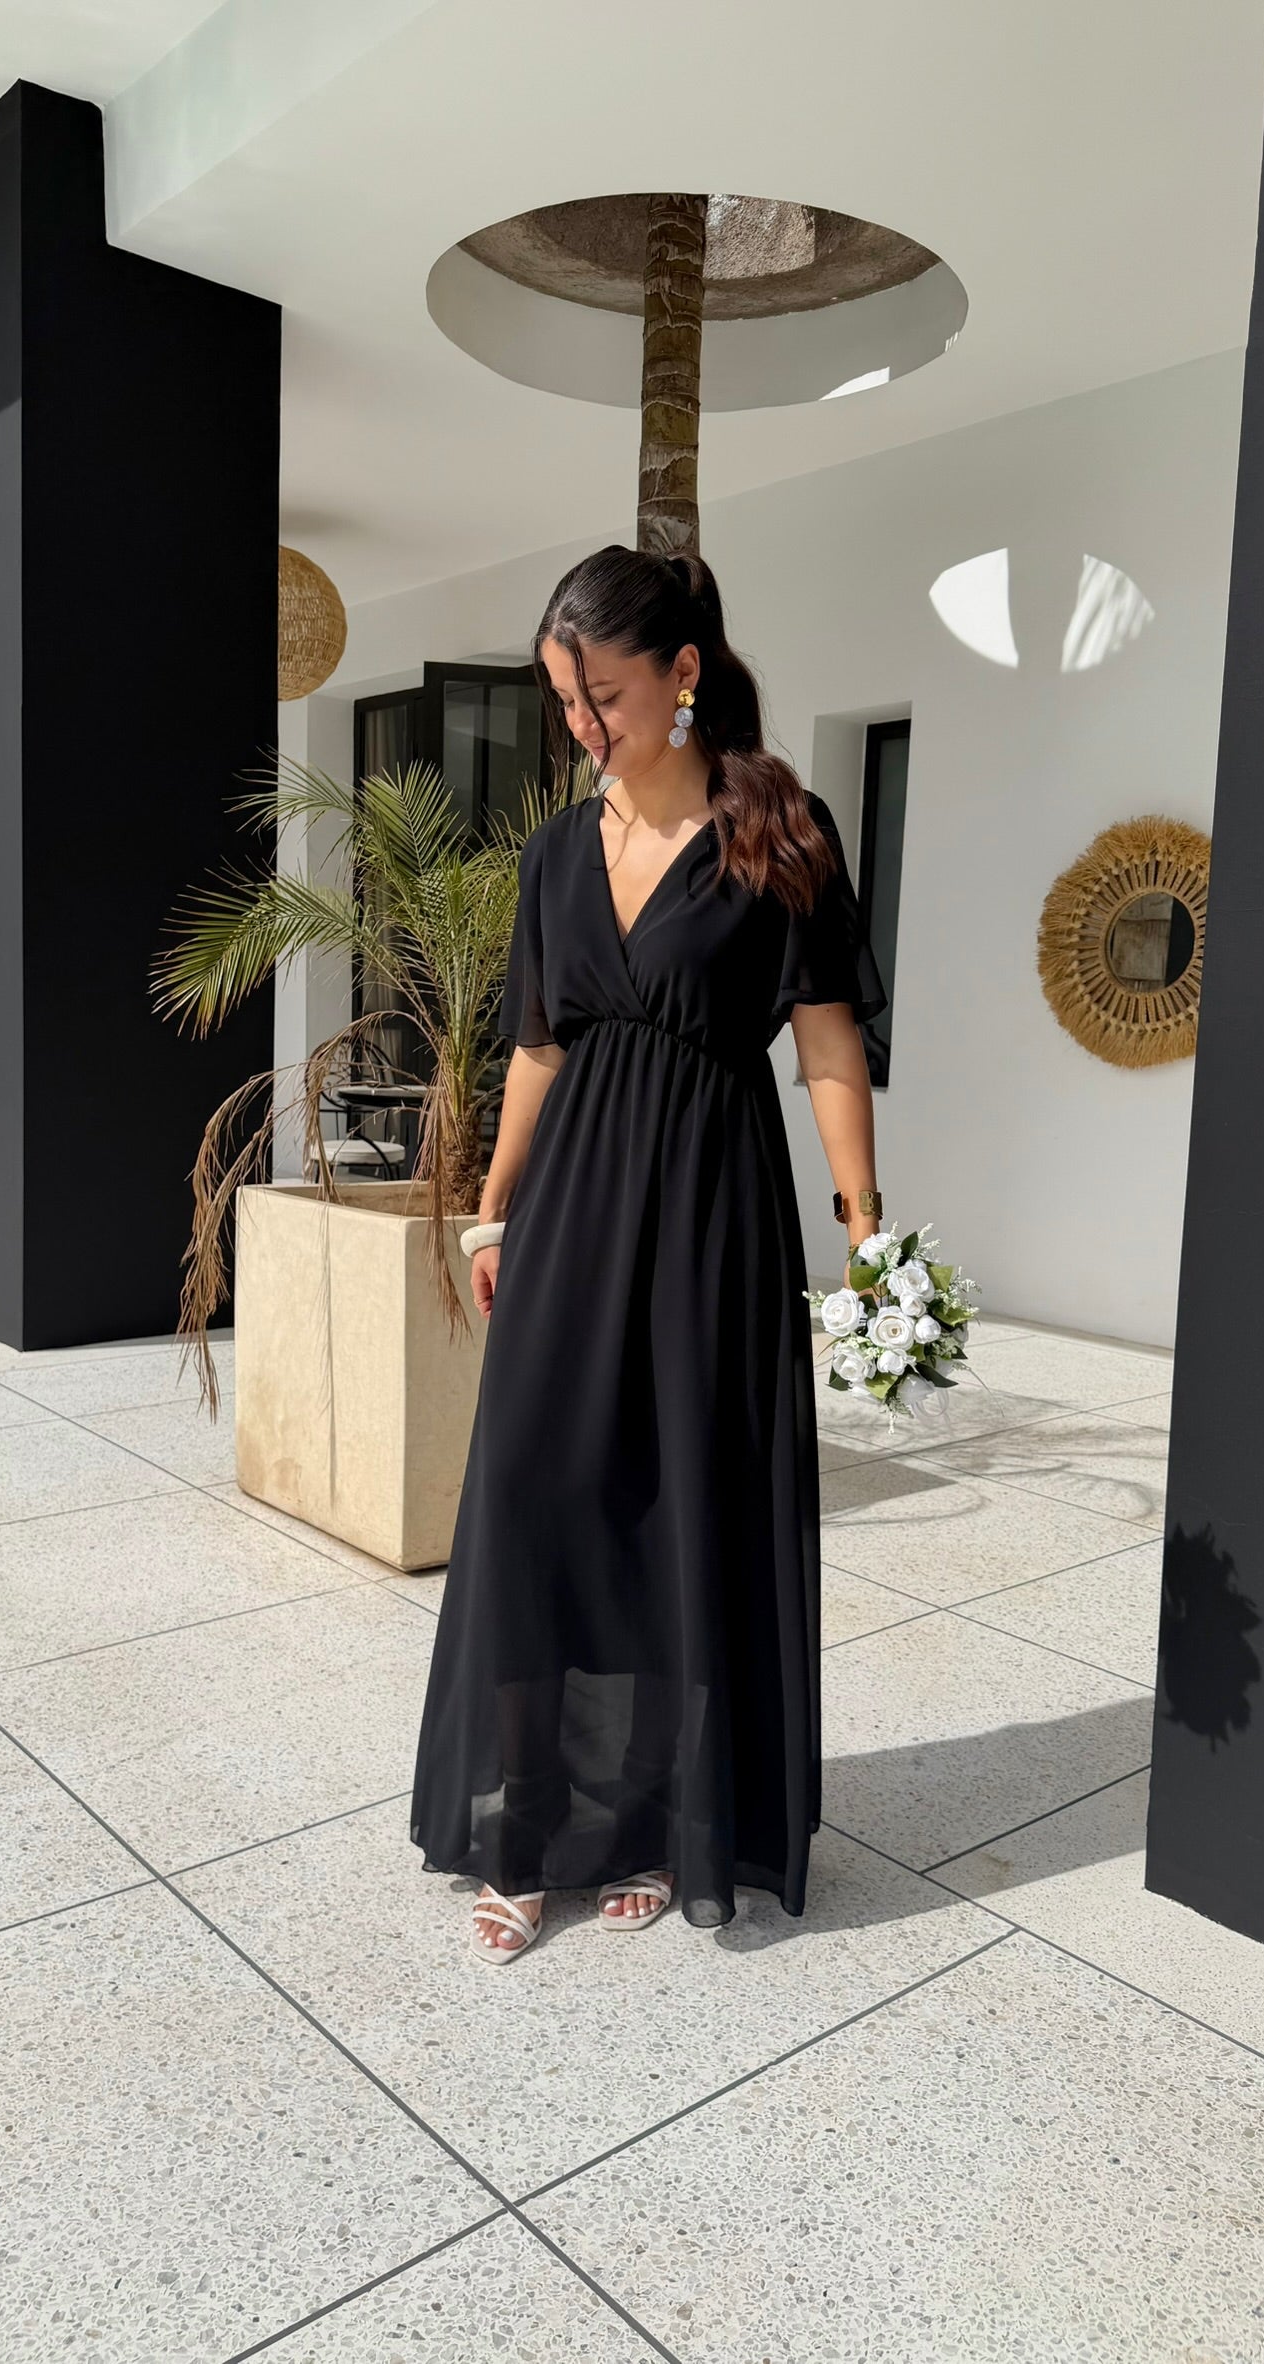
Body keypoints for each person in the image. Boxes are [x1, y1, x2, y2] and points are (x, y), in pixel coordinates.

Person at [409, 543, 888, 1963]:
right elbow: (538, 1046)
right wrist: (493, 1205)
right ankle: (524, 1826)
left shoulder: (777, 832)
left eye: (602, 697)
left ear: (682, 673)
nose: (582, 727)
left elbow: (825, 1042)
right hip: (569, 1209)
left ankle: (652, 1818)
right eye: (565, 702)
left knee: (680, 1508)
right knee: (534, 1498)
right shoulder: (558, 852)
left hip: (710, 1211)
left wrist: (866, 1228)